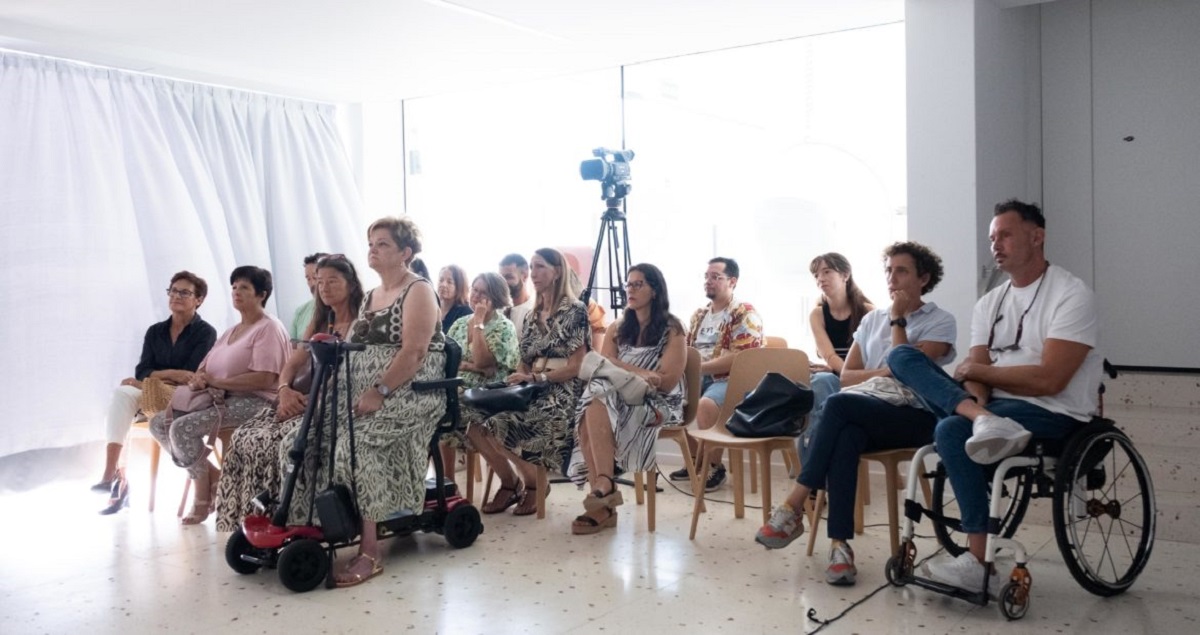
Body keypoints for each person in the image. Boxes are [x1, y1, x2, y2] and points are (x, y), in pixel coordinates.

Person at [888, 199, 1103, 595]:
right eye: (991, 238)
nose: (995, 245)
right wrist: (979, 401)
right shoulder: (990, 302)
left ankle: (977, 559)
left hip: (1054, 412)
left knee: (952, 429)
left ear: (1036, 237)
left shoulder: (1072, 295)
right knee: (900, 355)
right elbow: (975, 374)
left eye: (1004, 235)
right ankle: (980, 420)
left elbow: (1050, 379)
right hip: (994, 409)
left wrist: (978, 373)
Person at [754, 242, 956, 586]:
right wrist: (883, 370)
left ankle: (796, 501)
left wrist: (897, 320)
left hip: (915, 416)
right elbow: (847, 377)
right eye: (888, 270)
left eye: (902, 271)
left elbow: (904, 367)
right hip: (867, 408)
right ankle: (840, 547)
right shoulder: (872, 321)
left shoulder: (940, 320)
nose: (892, 278)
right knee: (845, 434)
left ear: (924, 278)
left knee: (836, 404)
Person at [281, 217, 447, 588]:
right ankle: (312, 528)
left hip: (409, 391)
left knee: (356, 448)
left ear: (406, 252)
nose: (373, 249)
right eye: (371, 242)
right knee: (303, 442)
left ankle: (370, 551)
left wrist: (379, 391)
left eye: (383, 244)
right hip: (359, 388)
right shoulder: (372, 295)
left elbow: (416, 352)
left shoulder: (418, 290)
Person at [215, 255, 364, 532]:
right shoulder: (321, 320)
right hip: (304, 398)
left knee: (282, 443)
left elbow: (346, 375)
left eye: (333, 281)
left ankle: (291, 516)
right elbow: (293, 363)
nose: (325, 288)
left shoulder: (360, 323)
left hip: (336, 402)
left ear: (352, 285)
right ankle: (248, 517)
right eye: (320, 282)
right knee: (245, 436)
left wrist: (309, 403)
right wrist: (284, 391)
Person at [149, 266, 291, 525]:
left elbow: (266, 378)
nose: (236, 292)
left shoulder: (268, 327)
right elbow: (206, 366)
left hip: (258, 402)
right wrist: (201, 378)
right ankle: (215, 477)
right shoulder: (231, 331)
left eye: (244, 288)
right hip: (221, 399)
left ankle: (201, 498)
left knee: (181, 429)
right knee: (158, 423)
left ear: (262, 294)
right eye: (234, 287)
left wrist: (218, 381)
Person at [466, 248, 588, 517]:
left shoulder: (575, 311)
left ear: (557, 272)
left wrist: (537, 377)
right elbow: (525, 361)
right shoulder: (533, 315)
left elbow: (577, 366)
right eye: (531, 267)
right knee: (472, 417)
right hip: (531, 387)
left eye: (540, 267)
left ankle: (534, 485)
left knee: (502, 423)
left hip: (561, 393)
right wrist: (519, 377)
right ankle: (510, 483)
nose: (533, 273)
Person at [568, 264, 686, 535]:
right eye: (628, 284)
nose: (630, 290)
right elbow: (602, 368)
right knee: (594, 397)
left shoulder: (673, 329)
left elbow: (665, 382)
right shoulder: (617, 328)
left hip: (658, 404)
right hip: (617, 397)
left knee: (594, 401)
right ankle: (604, 487)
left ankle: (602, 501)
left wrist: (624, 367)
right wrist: (641, 372)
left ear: (654, 291)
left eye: (638, 284)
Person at [94, 272, 217, 509]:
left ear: (198, 300)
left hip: (184, 396)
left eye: (184, 292)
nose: (176, 296)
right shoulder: (155, 331)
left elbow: (190, 373)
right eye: (173, 290)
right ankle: (109, 475)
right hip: (152, 393)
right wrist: (167, 375)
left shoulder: (205, 332)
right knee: (122, 394)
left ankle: (120, 483)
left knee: (131, 396)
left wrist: (155, 377)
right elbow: (142, 371)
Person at [669, 257, 763, 491]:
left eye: (715, 277)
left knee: (706, 405)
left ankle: (714, 466)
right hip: (699, 374)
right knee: (670, 399)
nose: (708, 281)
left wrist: (698, 368)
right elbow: (688, 349)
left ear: (732, 281)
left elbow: (741, 358)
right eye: (706, 277)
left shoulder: (745, 312)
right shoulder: (699, 315)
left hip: (731, 379)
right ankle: (695, 462)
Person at [440, 272, 520, 477]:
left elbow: (484, 362)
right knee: (433, 407)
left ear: (495, 297)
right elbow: (446, 358)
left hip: (487, 393)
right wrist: (471, 366)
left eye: (483, 292)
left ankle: (509, 481)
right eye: (474, 290)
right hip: (456, 386)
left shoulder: (504, 327)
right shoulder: (459, 323)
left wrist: (478, 323)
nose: (476, 296)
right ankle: (447, 484)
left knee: (450, 411)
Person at [806, 253, 874, 439]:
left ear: (845, 275)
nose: (820, 278)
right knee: (821, 380)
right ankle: (816, 446)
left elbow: (874, 357)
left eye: (827, 272)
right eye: (816, 275)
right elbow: (829, 355)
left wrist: (852, 376)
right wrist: (845, 374)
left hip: (864, 380)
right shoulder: (817, 314)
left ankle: (822, 449)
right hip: (835, 378)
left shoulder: (868, 312)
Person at [291, 253, 329, 342]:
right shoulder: (300, 312)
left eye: (315, 278)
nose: (312, 284)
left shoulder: (338, 309)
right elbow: (293, 347)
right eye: (308, 279)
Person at [499, 253, 535, 338]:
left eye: (509, 277)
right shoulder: (496, 309)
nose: (503, 283)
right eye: (500, 278)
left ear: (525, 276)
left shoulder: (534, 311)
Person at [437, 264, 473, 333]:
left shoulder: (466, 312)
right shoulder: (432, 306)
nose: (443, 285)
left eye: (449, 282)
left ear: (459, 286)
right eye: (441, 280)